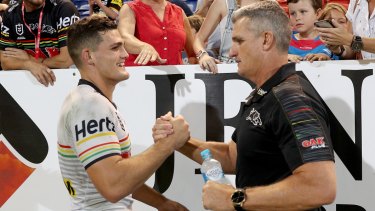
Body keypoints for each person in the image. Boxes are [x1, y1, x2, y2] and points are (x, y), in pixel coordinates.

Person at [154, 1, 336, 210]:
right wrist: (179, 141)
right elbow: (234, 157)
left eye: (239, 41)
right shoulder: (265, 93)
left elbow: (320, 187)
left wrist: (235, 198)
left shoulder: (292, 98)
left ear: (266, 40)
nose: (231, 52)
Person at [57, 15, 190, 210]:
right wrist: (167, 144)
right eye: (115, 48)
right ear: (89, 56)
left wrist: (166, 205)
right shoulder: (90, 106)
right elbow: (113, 185)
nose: (125, 54)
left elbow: (118, 175)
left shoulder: (91, 101)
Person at [0, 0, 79, 87]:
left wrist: (31, 59)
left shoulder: (64, 8)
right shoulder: (11, 13)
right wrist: (28, 64)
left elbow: (67, 59)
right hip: (29, 85)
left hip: (68, 82)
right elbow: (5, 62)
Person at [117, 0, 196, 66]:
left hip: (175, 79)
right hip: (139, 77)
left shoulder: (179, 12)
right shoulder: (130, 8)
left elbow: (193, 54)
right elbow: (124, 38)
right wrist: (143, 47)